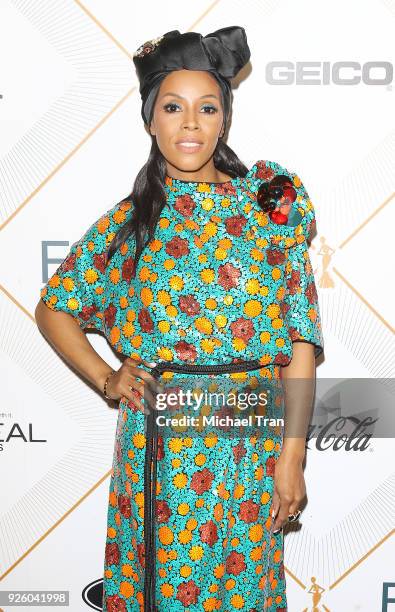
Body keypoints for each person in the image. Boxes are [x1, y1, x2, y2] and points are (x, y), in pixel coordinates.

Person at [35, 26, 324, 612]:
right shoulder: (131, 223)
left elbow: (298, 343)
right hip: (162, 451)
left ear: (224, 121)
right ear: (151, 120)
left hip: (251, 448)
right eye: (173, 107)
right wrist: (108, 379)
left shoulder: (269, 206)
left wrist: (292, 457)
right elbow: (53, 309)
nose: (190, 123)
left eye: (207, 108)